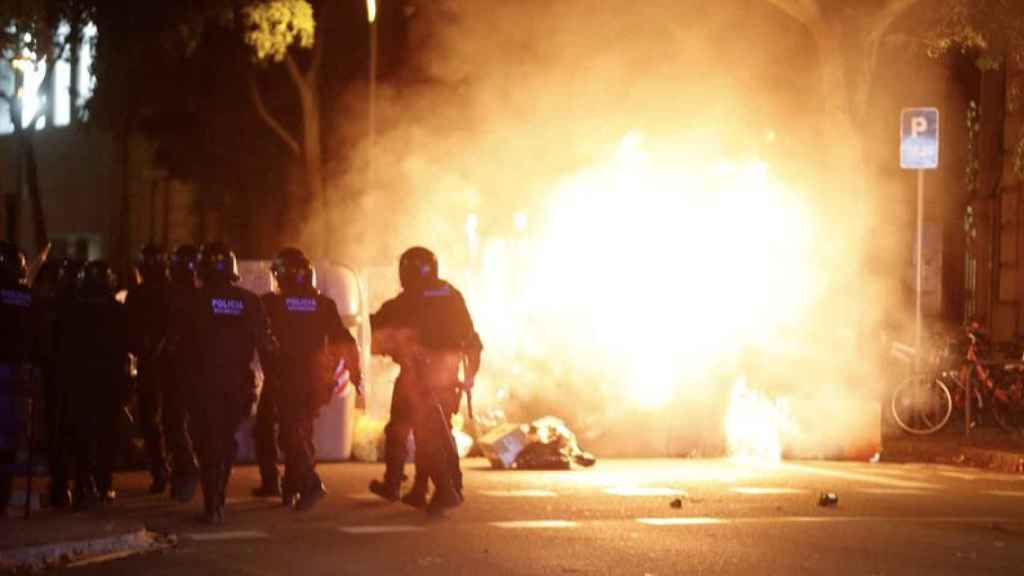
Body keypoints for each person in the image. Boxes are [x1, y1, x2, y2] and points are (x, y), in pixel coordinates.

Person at [368, 246, 482, 516]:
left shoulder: (408, 301)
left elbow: (377, 326)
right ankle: (419, 489)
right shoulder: (452, 295)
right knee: (432, 432)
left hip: (418, 377)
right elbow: (473, 341)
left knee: (409, 431)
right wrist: (470, 378)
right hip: (449, 380)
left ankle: (438, 489)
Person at [170, 243, 275, 524]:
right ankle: (217, 499)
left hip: (202, 387)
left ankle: (213, 502)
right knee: (224, 441)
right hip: (238, 386)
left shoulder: (192, 301)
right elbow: (267, 344)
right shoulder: (251, 302)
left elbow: (176, 346)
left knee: (207, 443)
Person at [259, 248, 361, 510]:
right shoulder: (324, 305)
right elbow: (345, 341)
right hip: (316, 383)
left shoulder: (271, 304)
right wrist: (356, 375)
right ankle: (293, 487)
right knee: (300, 432)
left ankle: (311, 484)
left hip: (287, 381)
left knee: (292, 436)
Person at [56, 260, 132, 509]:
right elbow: (129, 348)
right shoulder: (118, 312)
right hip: (108, 386)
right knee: (106, 437)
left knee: (81, 434)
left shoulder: (72, 311)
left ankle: (83, 483)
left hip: (80, 384)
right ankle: (101, 483)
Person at [31, 258, 79, 509]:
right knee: (61, 432)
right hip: (59, 375)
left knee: (59, 432)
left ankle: (61, 486)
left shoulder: (53, 304)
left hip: (57, 375)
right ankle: (63, 485)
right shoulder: (63, 303)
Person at [124, 243, 171, 494]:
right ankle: (171, 469)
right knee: (169, 421)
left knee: (153, 422)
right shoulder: (173, 292)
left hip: (152, 367)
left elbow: (128, 333)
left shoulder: (139, 295)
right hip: (167, 367)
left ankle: (163, 470)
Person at [165, 245, 201, 502]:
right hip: (202, 372)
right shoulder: (203, 295)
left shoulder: (175, 296)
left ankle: (187, 472)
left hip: (179, 371)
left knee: (174, 422)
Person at [0, 241, 34, 512]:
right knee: (12, 434)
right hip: (19, 370)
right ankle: (3, 492)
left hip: (14, 369)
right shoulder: (26, 295)